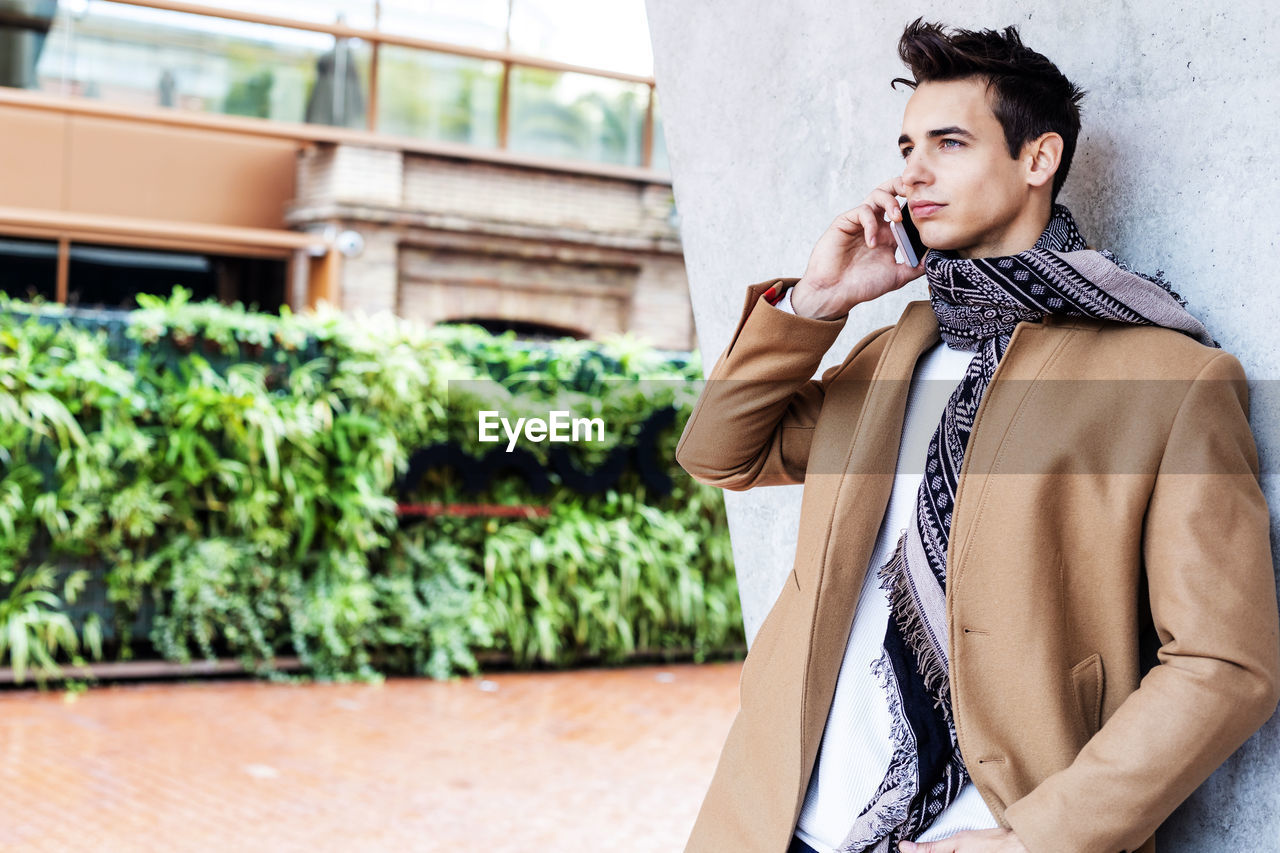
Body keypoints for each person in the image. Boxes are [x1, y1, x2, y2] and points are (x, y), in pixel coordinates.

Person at [676, 19, 1279, 853]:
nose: (912, 172)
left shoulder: (1168, 382)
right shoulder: (891, 354)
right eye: (907, 145)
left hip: (983, 833)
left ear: (1039, 159)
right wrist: (816, 302)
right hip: (787, 821)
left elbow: (1223, 662)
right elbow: (721, 453)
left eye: (949, 143)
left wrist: (1043, 839)